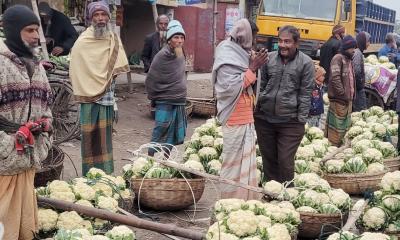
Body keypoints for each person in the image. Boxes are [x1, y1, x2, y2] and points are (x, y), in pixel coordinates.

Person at [0, 5, 53, 239]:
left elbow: (47, 105)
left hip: (29, 156)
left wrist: (46, 130)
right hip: (4, 159)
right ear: (12, 30)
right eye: (29, 30)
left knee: (23, 224)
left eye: (37, 30)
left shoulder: (37, 66)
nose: (35, 36)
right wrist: (6, 144)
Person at [70, 1, 129, 175]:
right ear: (91, 18)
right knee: (89, 138)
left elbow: (116, 71)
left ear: (108, 17)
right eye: (96, 15)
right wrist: (89, 83)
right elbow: (76, 68)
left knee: (105, 139)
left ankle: (106, 173)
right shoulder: (82, 41)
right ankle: (89, 174)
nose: (100, 18)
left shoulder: (113, 39)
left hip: (107, 98)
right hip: (88, 98)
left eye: (103, 15)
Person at [212, 19, 268, 200]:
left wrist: (253, 64)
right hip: (234, 116)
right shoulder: (226, 52)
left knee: (246, 162)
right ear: (246, 36)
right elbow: (229, 87)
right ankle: (229, 199)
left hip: (246, 114)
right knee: (233, 163)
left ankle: (245, 198)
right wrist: (253, 67)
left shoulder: (242, 52)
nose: (255, 41)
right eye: (254, 37)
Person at [254, 25, 314, 183]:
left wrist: (300, 120)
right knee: (268, 159)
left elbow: (305, 93)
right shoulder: (269, 58)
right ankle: (271, 193)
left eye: (287, 41)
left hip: (290, 121)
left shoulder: (306, 63)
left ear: (296, 43)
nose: (282, 45)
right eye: (280, 41)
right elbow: (262, 84)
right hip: (265, 119)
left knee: (285, 161)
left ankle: (287, 194)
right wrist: (258, 109)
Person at [145, 20, 188, 157]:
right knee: (161, 128)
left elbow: (181, 74)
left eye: (182, 38)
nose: (179, 41)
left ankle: (166, 158)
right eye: (176, 37)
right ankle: (150, 158)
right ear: (169, 40)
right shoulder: (162, 55)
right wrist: (153, 98)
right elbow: (151, 78)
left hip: (179, 99)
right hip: (164, 99)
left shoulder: (181, 53)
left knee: (173, 130)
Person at [326, 35, 357, 147]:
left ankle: (339, 146)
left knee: (344, 127)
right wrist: (342, 94)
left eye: (354, 48)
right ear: (346, 47)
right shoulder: (338, 58)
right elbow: (335, 78)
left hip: (347, 99)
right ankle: (333, 146)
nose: (353, 50)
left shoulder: (348, 59)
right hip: (339, 99)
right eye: (351, 48)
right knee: (337, 127)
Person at [352, 31, 371, 112]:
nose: (369, 44)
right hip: (357, 88)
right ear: (363, 41)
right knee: (360, 110)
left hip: (357, 87)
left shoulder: (358, 52)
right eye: (368, 42)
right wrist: (360, 83)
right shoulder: (357, 53)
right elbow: (356, 71)